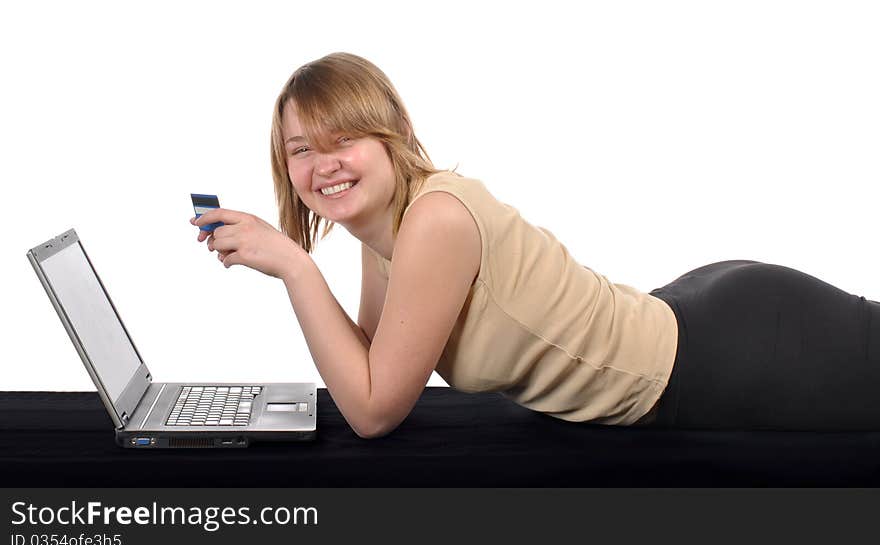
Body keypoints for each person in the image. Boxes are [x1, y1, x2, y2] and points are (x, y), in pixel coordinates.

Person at [191, 52, 880, 438]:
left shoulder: (436, 222)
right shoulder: (386, 229)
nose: (325, 164)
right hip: (698, 314)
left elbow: (374, 412)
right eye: (302, 149)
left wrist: (293, 266)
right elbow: (372, 370)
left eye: (345, 139)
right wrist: (302, 266)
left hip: (734, 352)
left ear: (394, 130)